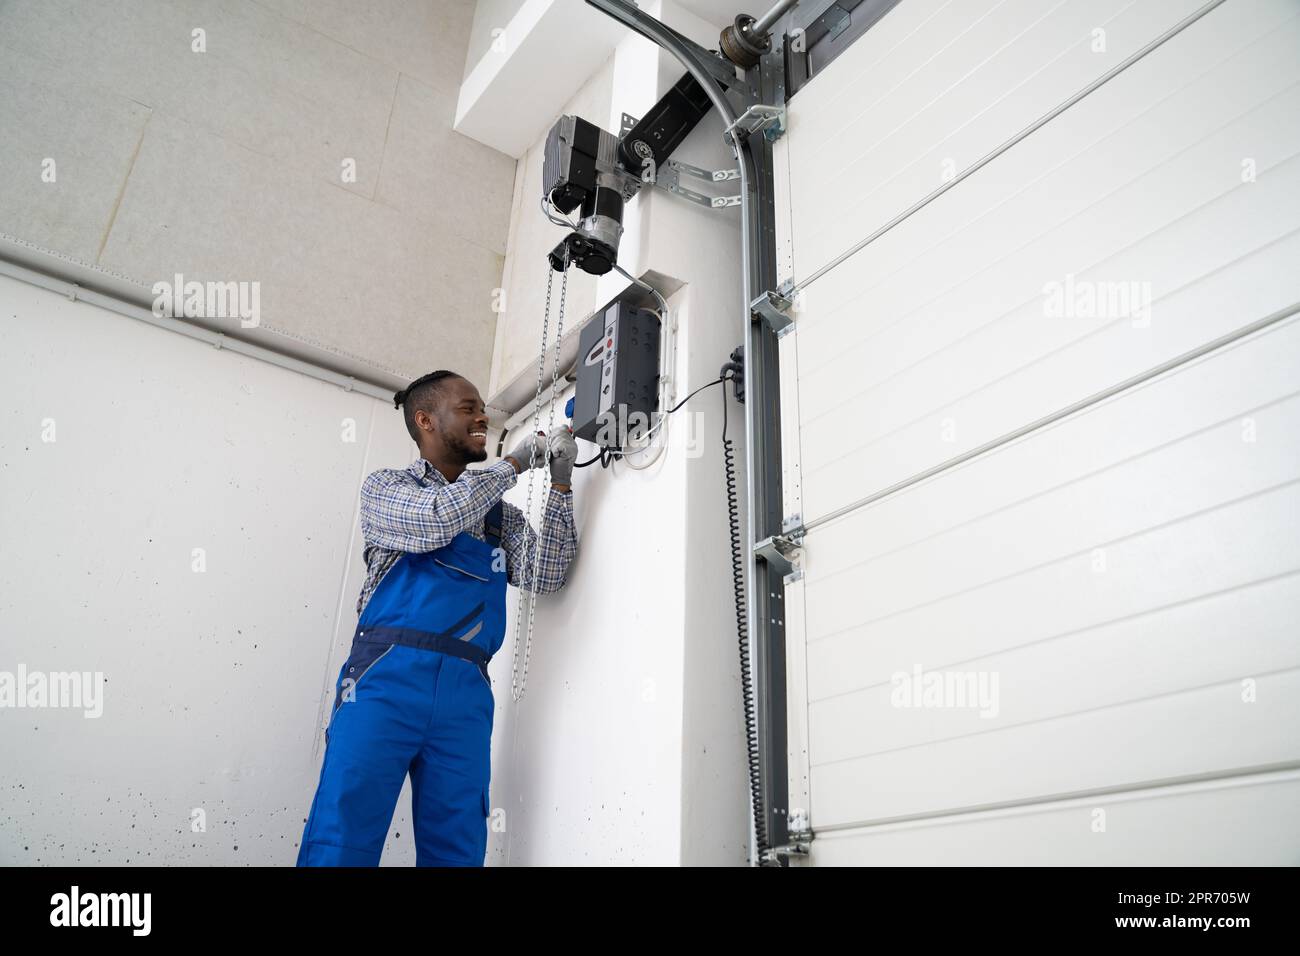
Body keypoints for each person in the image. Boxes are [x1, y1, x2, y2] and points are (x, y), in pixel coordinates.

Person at [296, 369, 578, 866]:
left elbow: (547, 573)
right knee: (344, 833)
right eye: (467, 407)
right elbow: (435, 520)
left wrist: (559, 484)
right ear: (425, 420)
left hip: (466, 693)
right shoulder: (387, 487)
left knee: (458, 846)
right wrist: (512, 465)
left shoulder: (499, 516)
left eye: (480, 407)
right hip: (383, 681)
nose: (481, 416)